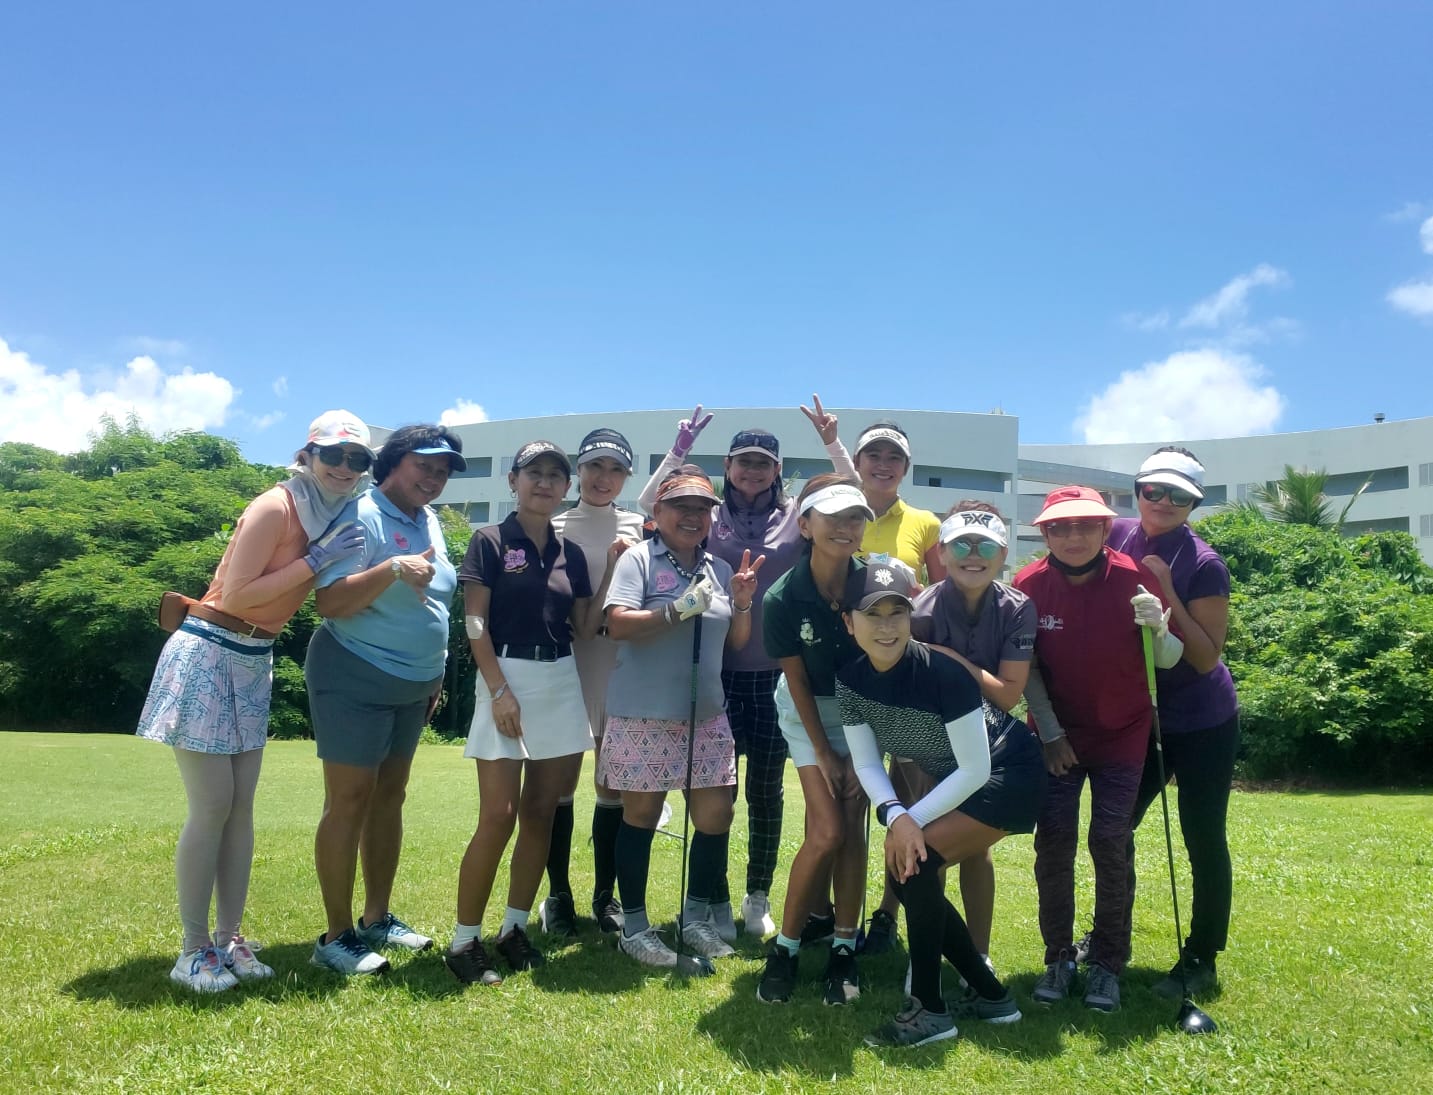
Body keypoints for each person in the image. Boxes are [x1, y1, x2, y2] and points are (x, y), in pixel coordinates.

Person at [137, 410, 373, 992]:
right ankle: (192, 950)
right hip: (211, 649)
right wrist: (316, 559)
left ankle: (227, 939)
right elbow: (239, 594)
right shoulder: (277, 506)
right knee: (213, 804)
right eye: (333, 455)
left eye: (357, 459)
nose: (344, 468)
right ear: (308, 454)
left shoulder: (337, 512)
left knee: (241, 807)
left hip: (252, 660)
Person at [639, 405, 848, 940]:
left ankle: (757, 897)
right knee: (714, 794)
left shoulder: (796, 515)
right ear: (728, 466)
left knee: (765, 791)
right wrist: (679, 450)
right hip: (715, 671)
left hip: (778, 676)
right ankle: (711, 897)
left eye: (763, 463)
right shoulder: (710, 513)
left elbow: (850, 499)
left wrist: (832, 443)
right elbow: (648, 503)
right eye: (743, 462)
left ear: (777, 470)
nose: (753, 471)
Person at [838, 562, 1045, 1048]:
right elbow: (868, 764)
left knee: (911, 865)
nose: (886, 627)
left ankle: (931, 1010)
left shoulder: (943, 672)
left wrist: (910, 822)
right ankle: (991, 997)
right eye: (873, 615)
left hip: (1008, 774)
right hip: (963, 781)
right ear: (849, 623)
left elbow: (975, 769)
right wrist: (896, 816)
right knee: (910, 866)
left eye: (897, 613)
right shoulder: (849, 680)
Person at [446, 441, 613, 985]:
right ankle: (464, 940)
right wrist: (498, 691)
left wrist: (610, 569)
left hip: (560, 676)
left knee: (542, 812)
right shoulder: (489, 540)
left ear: (567, 488)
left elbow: (586, 628)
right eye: (533, 473)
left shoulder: (574, 555)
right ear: (513, 481)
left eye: (554, 476)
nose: (544, 483)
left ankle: (513, 929)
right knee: (498, 815)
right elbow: (475, 624)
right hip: (506, 676)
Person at [1013, 485, 1184, 1013]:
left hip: (1123, 733)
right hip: (1058, 735)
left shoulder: (1136, 578)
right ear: (1044, 533)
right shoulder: (1028, 585)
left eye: (1085, 524)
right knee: (1055, 841)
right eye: (1059, 527)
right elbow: (1029, 670)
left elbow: (1170, 660)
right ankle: (1058, 956)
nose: (1072, 535)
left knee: (1110, 840)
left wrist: (1160, 627)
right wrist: (1053, 733)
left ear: (1106, 528)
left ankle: (1108, 962)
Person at [305, 423, 465, 975]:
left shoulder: (429, 521)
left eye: (443, 471)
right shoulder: (359, 514)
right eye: (425, 465)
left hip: (415, 683)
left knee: (389, 797)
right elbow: (329, 601)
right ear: (392, 463)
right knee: (349, 800)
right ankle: (336, 934)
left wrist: (437, 672)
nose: (435, 478)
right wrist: (393, 567)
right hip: (354, 672)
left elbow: (436, 605)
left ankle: (376, 918)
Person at [601, 467, 764, 968]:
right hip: (643, 715)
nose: (694, 517)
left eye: (703, 509)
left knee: (716, 815)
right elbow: (616, 623)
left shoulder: (716, 567)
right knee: (642, 817)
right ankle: (634, 925)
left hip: (706, 715)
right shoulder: (638, 559)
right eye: (682, 507)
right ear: (659, 514)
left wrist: (740, 603)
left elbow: (734, 642)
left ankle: (694, 920)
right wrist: (676, 611)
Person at [809, 406, 948, 954]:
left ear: (907, 467)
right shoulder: (841, 514)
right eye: (874, 455)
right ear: (859, 462)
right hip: (843, 680)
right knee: (843, 800)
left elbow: (939, 601)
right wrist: (832, 445)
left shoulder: (926, 524)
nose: (884, 464)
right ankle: (825, 913)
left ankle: (890, 915)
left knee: (910, 801)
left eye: (895, 457)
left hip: (907, 683)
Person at [1107, 447, 1238, 998]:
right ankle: (1111, 939)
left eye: (1177, 495)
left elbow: (1206, 656)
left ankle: (1201, 956)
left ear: (1193, 504)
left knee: (1201, 837)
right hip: (1145, 715)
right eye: (1152, 490)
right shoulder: (1115, 533)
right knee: (1114, 830)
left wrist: (1169, 593)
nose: (1161, 502)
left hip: (1204, 718)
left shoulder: (1204, 563)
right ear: (1137, 490)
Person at [756, 474, 874, 1005]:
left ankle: (844, 948)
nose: (845, 528)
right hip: (805, 714)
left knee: (852, 826)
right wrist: (825, 752)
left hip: (865, 715)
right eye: (833, 518)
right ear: (805, 525)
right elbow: (796, 679)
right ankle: (784, 948)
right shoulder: (783, 594)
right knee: (826, 831)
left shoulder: (875, 583)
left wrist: (861, 741)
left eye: (855, 518)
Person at [910, 502, 1036, 981]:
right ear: (941, 552)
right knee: (925, 847)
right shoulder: (919, 609)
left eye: (985, 546)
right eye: (961, 544)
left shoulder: (1018, 607)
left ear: (1003, 553)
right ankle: (924, 955)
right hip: (927, 740)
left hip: (988, 740)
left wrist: (946, 658)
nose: (973, 555)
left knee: (975, 849)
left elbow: (1007, 696)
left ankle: (976, 955)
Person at [540, 428, 645, 937]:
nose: (604, 479)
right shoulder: (552, 523)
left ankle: (607, 896)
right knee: (557, 784)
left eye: (616, 469)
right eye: (595, 467)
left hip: (620, 665)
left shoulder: (640, 525)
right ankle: (557, 894)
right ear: (577, 471)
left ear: (627, 477)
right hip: (562, 662)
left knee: (613, 783)